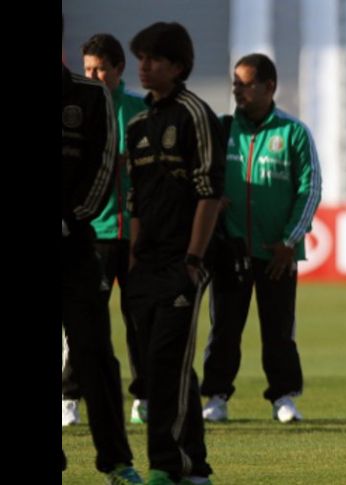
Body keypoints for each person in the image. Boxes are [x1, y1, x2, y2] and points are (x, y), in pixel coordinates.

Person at [125, 22, 224, 485]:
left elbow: (210, 192)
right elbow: (135, 200)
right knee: (154, 367)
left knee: (169, 362)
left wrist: (193, 259)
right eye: (141, 58)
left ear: (178, 66)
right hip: (145, 266)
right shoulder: (138, 124)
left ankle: (170, 464)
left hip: (182, 263)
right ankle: (189, 464)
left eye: (154, 59)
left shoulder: (195, 114)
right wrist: (132, 256)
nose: (144, 67)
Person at [199, 53, 322, 424]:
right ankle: (216, 397)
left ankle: (283, 398)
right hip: (230, 249)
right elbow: (203, 178)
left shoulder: (293, 132)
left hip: (277, 252)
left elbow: (310, 189)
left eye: (245, 84)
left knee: (279, 330)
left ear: (269, 87)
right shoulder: (222, 129)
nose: (237, 90)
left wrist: (290, 240)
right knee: (224, 328)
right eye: (235, 83)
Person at [61, 15, 143, 485]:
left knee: (96, 352)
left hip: (74, 245)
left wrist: (72, 220)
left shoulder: (88, 98)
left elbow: (103, 172)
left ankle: (116, 460)